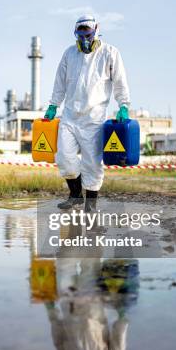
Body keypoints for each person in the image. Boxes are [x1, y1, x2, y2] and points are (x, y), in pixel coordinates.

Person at [45, 14, 131, 210]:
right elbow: (59, 83)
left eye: (88, 35)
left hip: (94, 119)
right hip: (69, 117)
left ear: (96, 31)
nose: (85, 40)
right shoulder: (69, 54)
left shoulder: (110, 53)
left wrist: (123, 105)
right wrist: (53, 105)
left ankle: (90, 205)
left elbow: (120, 82)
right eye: (80, 36)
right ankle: (75, 195)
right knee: (65, 159)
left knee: (92, 164)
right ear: (76, 34)